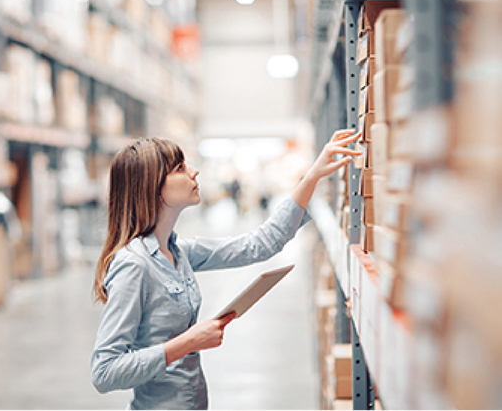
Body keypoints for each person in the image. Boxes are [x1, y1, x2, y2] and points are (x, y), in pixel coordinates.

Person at [91, 129, 362, 410]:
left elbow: (259, 244)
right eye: (180, 168)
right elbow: (104, 371)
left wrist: (312, 176)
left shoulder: (179, 251)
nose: (194, 172)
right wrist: (188, 342)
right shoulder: (133, 265)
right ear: (153, 186)